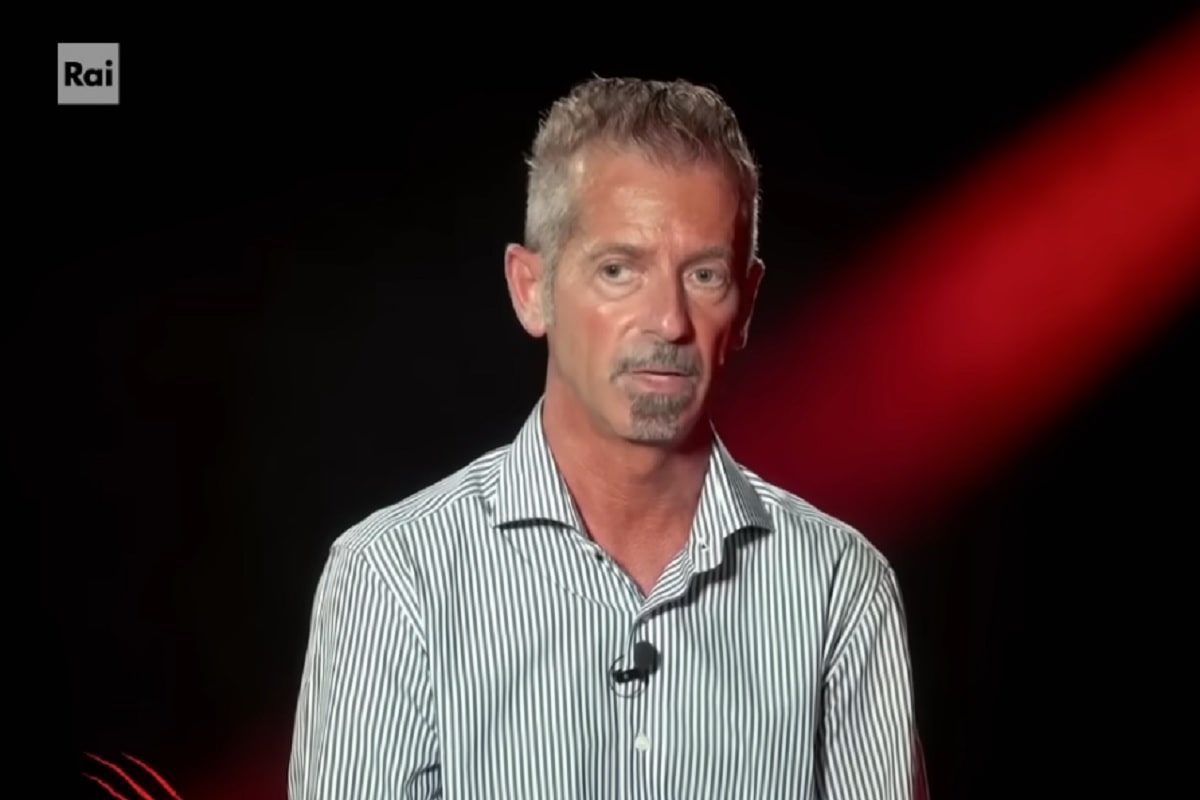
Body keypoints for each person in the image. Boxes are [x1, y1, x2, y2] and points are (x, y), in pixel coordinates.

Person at [288, 76, 925, 799]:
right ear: (531, 289)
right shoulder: (394, 579)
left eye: (705, 275)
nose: (669, 321)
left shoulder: (839, 587)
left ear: (746, 303)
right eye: (619, 270)